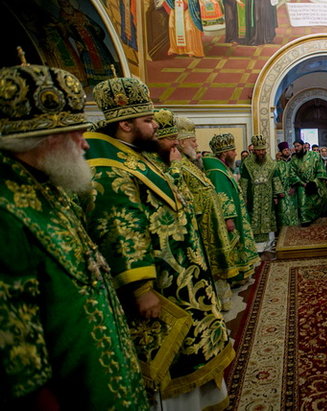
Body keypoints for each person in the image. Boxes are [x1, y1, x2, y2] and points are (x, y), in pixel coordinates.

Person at [0, 58, 148, 410]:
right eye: (77, 133)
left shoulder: (52, 188)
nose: (85, 144)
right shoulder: (7, 210)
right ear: (43, 138)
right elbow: (15, 349)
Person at [85, 75, 233, 407]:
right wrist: (141, 288)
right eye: (148, 120)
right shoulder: (110, 167)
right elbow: (120, 226)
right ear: (125, 124)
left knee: (194, 350)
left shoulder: (134, 156)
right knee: (172, 363)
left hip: (180, 276)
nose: (156, 127)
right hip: (161, 288)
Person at [175, 116, 257, 309]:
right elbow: (221, 194)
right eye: (233, 151)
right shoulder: (215, 169)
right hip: (219, 221)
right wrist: (229, 218)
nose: (236, 153)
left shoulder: (220, 166)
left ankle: (238, 276)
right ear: (225, 153)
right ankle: (235, 277)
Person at [240, 135, 282, 259]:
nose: (262, 152)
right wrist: (243, 196)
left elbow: (275, 178)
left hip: (268, 198)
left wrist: (276, 194)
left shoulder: (271, 162)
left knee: (268, 220)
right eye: (259, 150)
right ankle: (257, 249)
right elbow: (244, 181)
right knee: (254, 221)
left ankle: (268, 248)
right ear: (254, 150)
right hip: (253, 197)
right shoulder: (247, 163)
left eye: (263, 150)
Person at [291, 139, 327, 226]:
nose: (296, 148)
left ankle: (317, 217)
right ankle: (305, 221)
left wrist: (315, 182)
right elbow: (292, 173)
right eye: (295, 147)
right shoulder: (294, 159)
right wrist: (303, 183)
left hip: (315, 183)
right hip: (302, 185)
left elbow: (321, 169)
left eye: (298, 146)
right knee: (303, 205)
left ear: (303, 146)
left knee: (320, 199)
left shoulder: (314, 155)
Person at [276, 141, 301, 227]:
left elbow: (297, 175)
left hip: (293, 191)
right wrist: (279, 191)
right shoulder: (277, 164)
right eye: (284, 150)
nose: (287, 151)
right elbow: (276, 179)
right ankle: (283, 230)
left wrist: (294, 187)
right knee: (283, 212)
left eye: (288, 150)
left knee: (293, 210)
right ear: (281, 152)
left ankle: (294, 229)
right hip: (282, 192)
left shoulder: (294, 162)